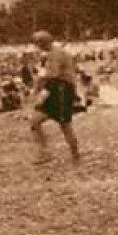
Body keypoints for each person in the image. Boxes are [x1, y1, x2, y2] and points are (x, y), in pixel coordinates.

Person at [27, 30, 81, 165]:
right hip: (55, 89)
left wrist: (39, 78)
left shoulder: (55, 54)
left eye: (38, 44)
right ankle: (44, 153)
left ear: (43, 43)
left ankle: (75, 155)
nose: (37, 47)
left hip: (62, 90)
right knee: (34, 121)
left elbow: (53, 74)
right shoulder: (51, 53)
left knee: (65, 124)